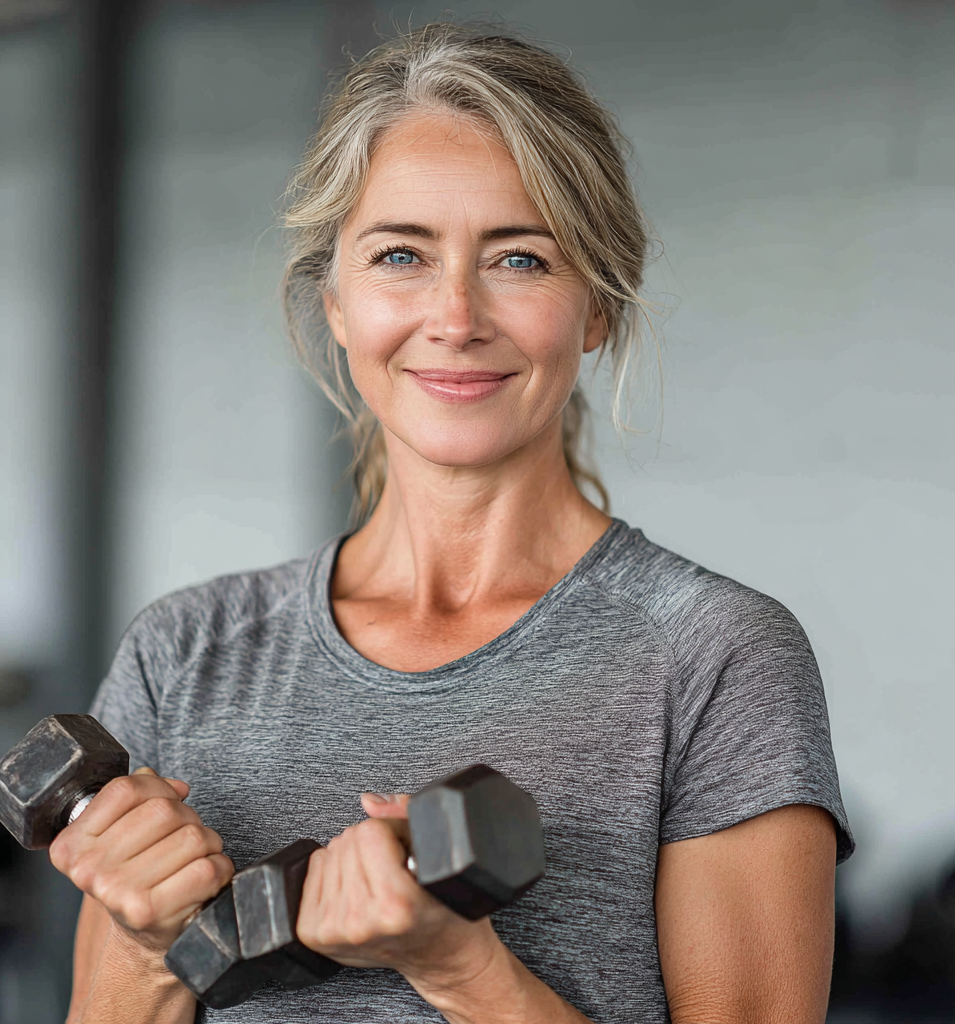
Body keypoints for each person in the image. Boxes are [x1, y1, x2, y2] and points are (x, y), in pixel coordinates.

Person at [53, 22, 853, 1024]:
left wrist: (461, 970)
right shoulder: (186, 654)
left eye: (519, 259)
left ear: (596, 305)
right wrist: (143, 943)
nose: (456, 315)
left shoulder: (710, 659)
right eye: (400, 255)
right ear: (336, 300)